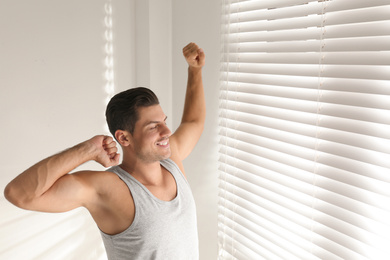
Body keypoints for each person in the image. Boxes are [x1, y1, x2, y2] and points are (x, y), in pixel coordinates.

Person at [4, 42, 206, 259]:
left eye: (163, 121)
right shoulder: (108, 189)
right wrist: (87, 150)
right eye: (153, 126)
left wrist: (194, 71)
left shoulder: (171, 160)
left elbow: (193, 121)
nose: (166, 131)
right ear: (123, 137)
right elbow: (18, 194)